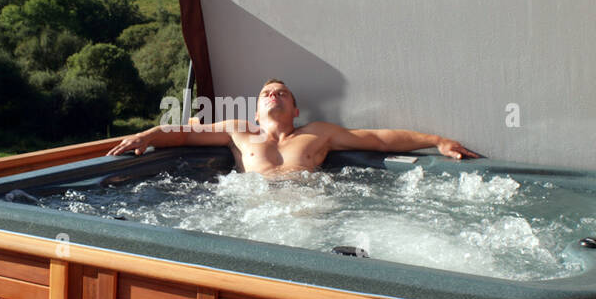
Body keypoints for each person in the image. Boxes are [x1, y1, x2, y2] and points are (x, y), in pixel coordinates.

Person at [108, 78, 480, 176]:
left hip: (305, 205)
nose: (274, 95)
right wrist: (148, 135)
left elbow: (379, 139)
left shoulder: (318, 132)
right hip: (250, 204)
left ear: (294, 107)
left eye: (282, 93)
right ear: (255, 110)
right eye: (267, 93)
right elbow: (186, 133)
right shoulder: (240, 130)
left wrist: (436, 141)